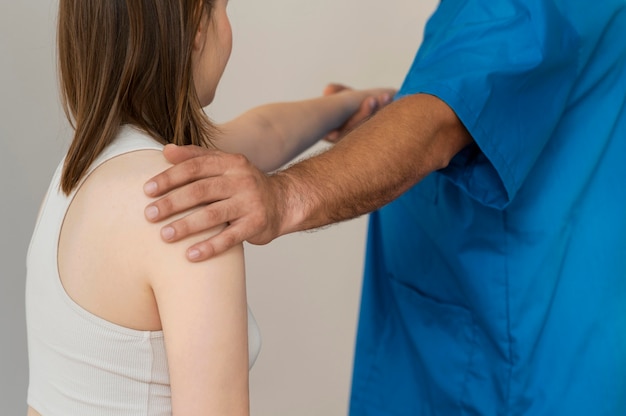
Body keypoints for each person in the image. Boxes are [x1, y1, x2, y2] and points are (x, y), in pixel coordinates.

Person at [143, 0, 626, 414]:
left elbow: (437, 124)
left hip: (510, 349)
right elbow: (489, 96)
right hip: (543, 314)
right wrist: (378, 124)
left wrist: (286, 195)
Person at [25, 0, 394, 414]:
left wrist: (355, 105)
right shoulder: (188, 207)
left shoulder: (76, 175)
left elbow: (265, 131)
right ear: (197, 25)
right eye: (223, 9)